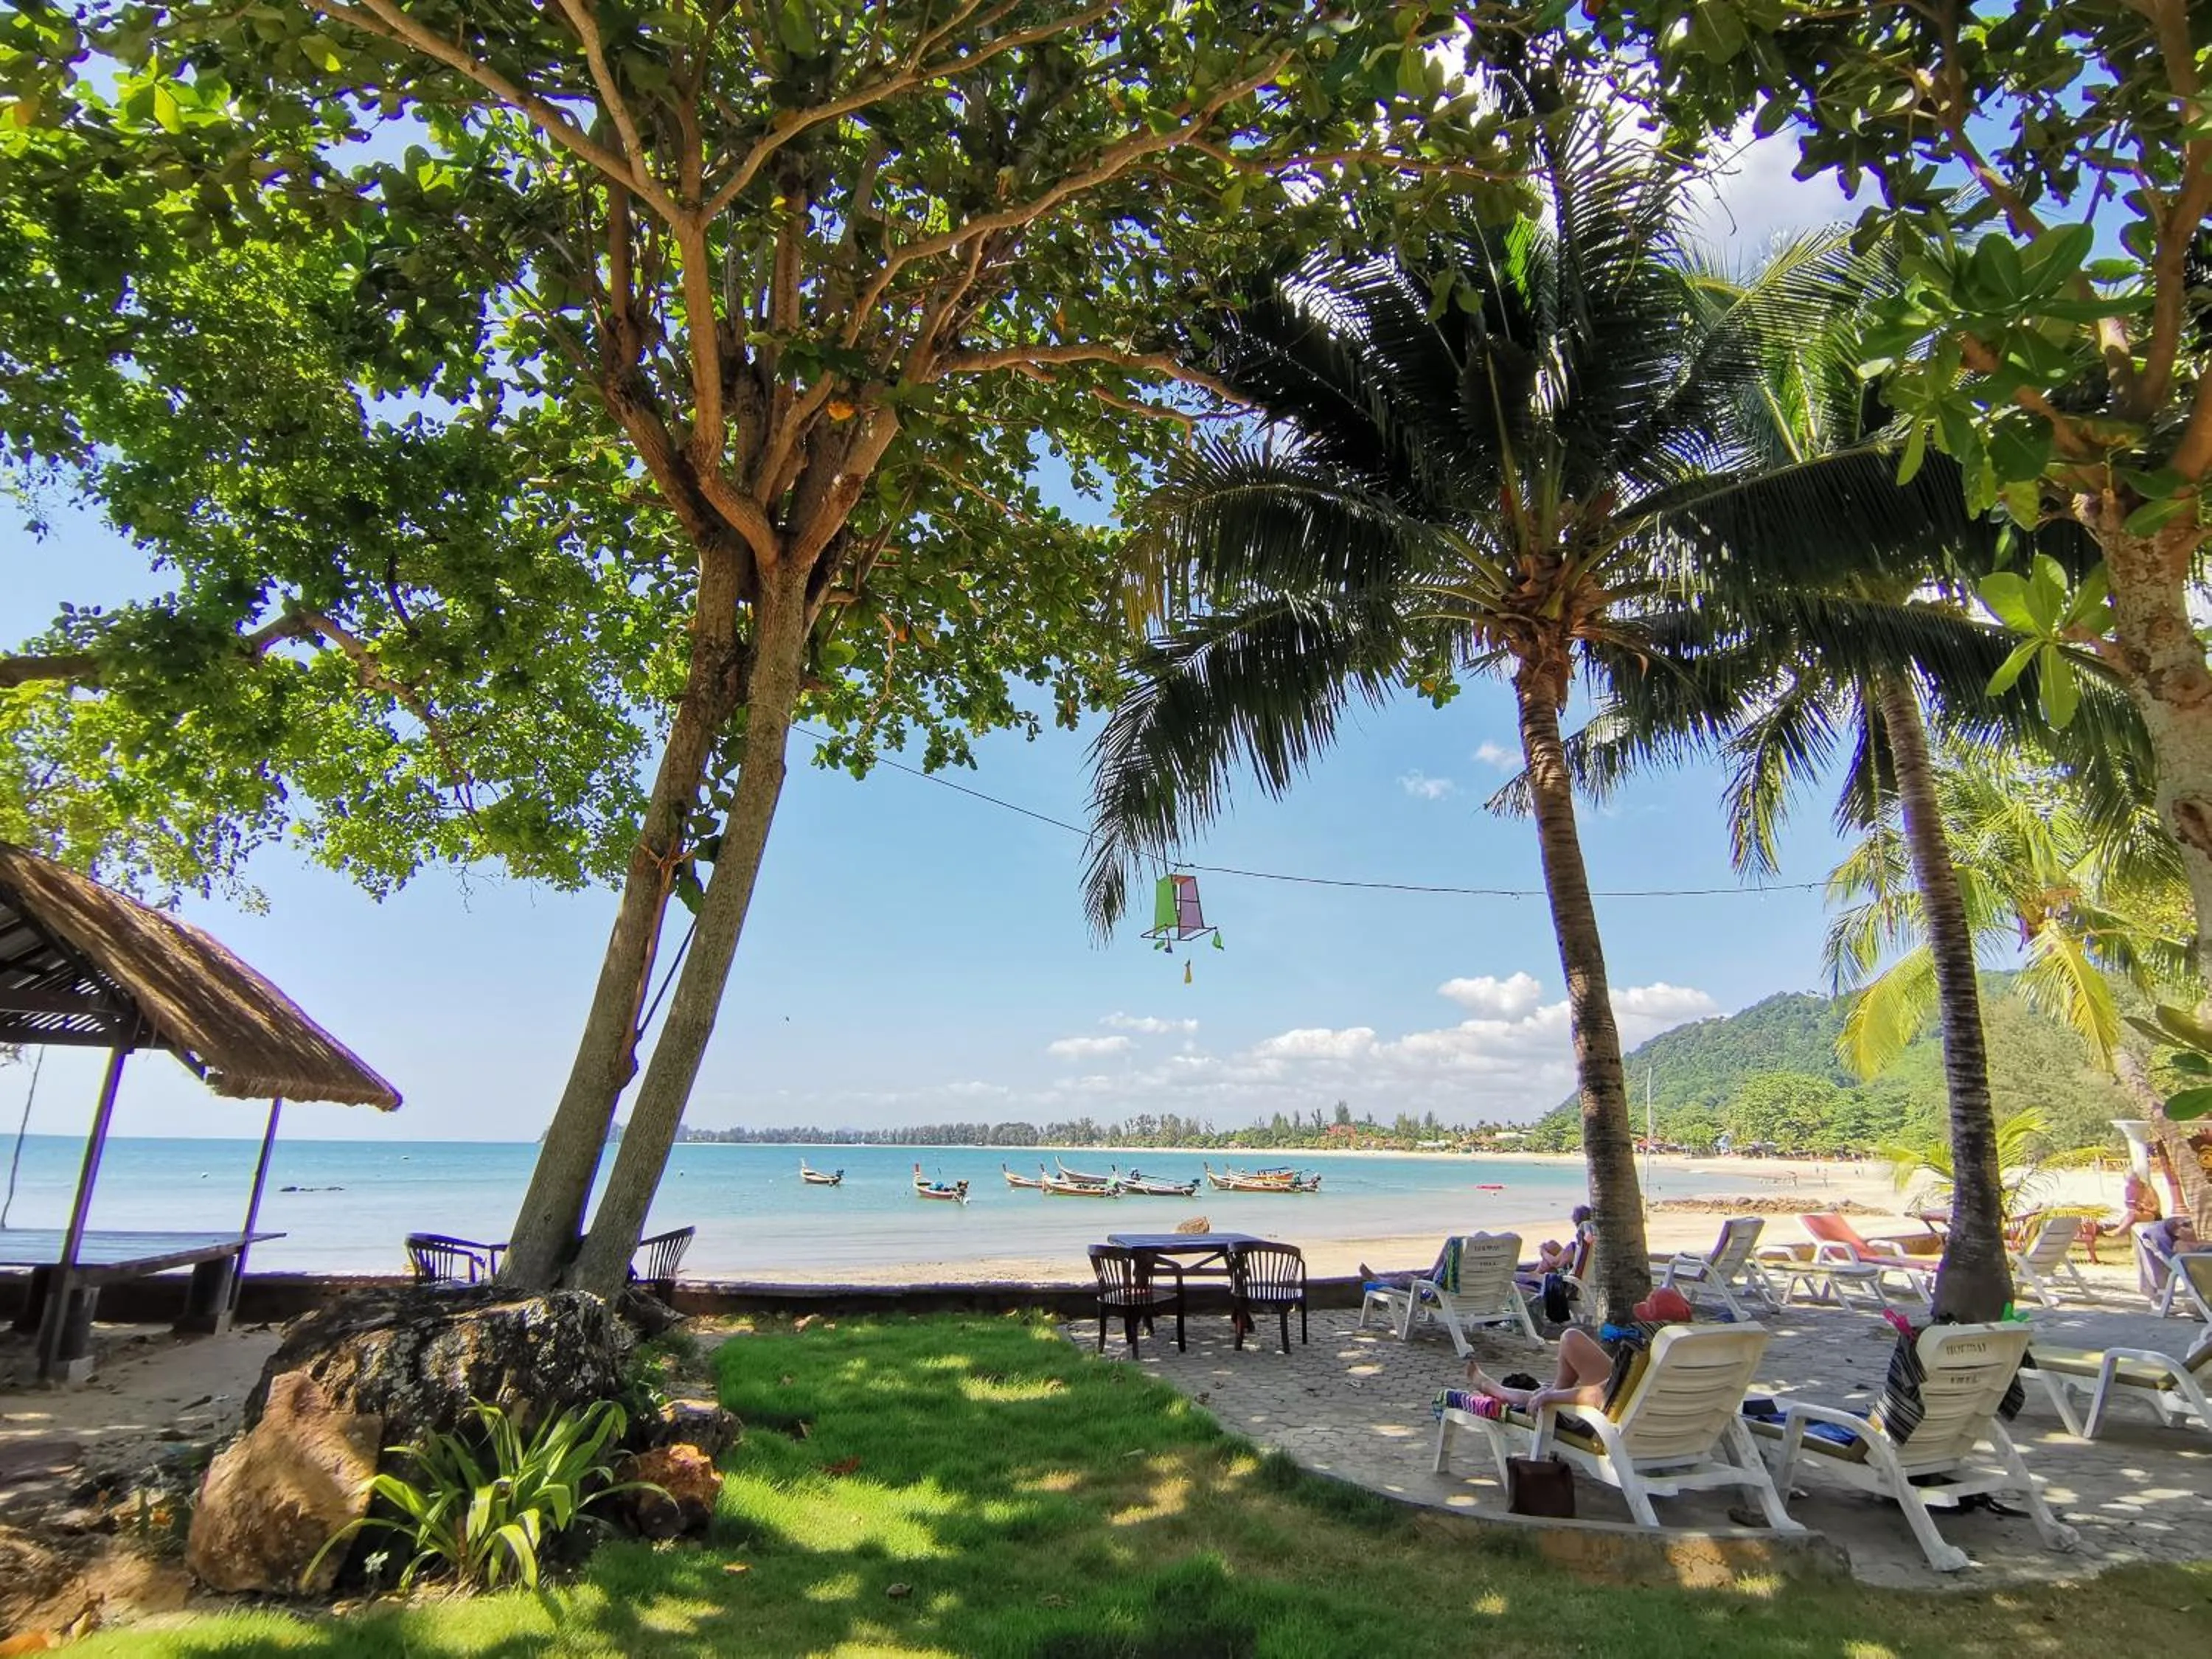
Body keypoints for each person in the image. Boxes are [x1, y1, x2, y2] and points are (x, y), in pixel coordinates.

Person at [1453, 1287, 1695, 1423]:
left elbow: (1599, 1396)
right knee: (1571, 1338)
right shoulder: (1692, 1352)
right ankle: (1537, 1392)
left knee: (1550, 1396)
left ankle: (1504, 1393)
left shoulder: (1642, 1353)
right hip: (1666, 1422)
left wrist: (1552, 1397)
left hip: (1624, 1421)